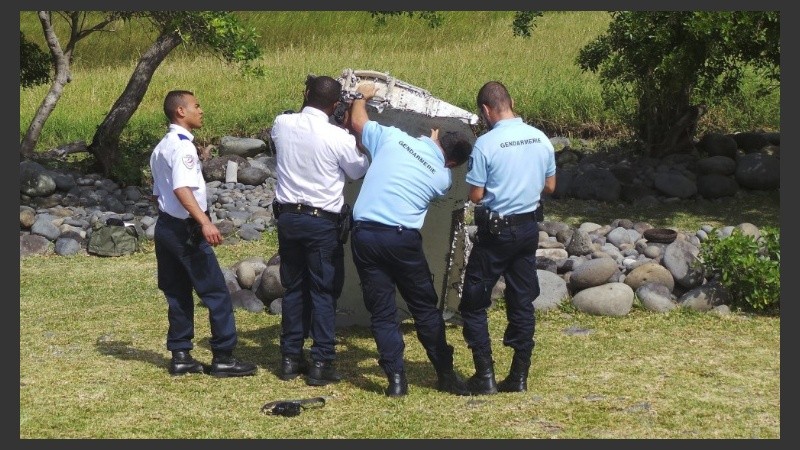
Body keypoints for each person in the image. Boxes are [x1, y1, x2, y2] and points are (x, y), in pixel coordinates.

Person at [346, 81, 473, 397]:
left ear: (438, 137)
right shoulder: (442, 177)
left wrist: (362, 95)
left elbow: (357, 122)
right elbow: (434, 163)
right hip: (403, 241)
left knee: (382, 310)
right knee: (424, 309)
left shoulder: (392, 138)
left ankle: (396, 381)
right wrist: (434, 149)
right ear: (454, 163)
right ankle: (445, 374)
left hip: (366, 235)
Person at [458, 81, 556, 394]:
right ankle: (519, 375)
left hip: (496, 233)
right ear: (511, 101)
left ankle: (484, 375)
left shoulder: (486, 145)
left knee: (474, 301)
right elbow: (550, 187)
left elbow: (475, 195)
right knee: (522, 299)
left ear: (485, 110)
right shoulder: (540, 138)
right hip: (529, 230)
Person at [271, 75, 370, 386]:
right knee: (324, 291)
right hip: (321, 221)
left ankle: (290, 357)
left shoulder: (281, 124)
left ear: (306, 95)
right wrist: (352, 133)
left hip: (288, 218)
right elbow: (358, 169)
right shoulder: (337, 138)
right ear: (335, 105)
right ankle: (321, 361)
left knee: (294, 287)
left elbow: (298, 120)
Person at [150, 90, 257, 377]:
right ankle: (223, 356)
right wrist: (204, 222)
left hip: (166, 226)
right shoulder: (183, 147)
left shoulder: (162, 146)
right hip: (186, 229)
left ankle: (181, 354)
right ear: (180, 112)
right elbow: (181, 189)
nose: (201, 110)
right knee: (217, 293)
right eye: (196, 106)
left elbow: (158, 191)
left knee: (177, 292)